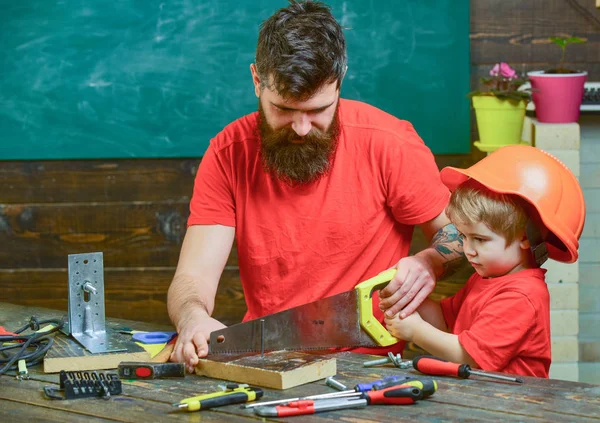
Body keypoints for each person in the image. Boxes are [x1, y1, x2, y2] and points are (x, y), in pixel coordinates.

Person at [167, 0, 464, 372]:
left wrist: (430, 262)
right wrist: (192, 318)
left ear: (340, 82)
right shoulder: (228, 153)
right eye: (285, 110)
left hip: (374, 367)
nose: (302, 128)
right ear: (257, 81)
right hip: (270, 360)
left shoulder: (390, 144)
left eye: (318, 110)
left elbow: (458, 236)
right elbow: (193, 277)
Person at [384, 145, 586, 377]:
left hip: (515, 406)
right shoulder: (486, 279)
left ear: (524, 237)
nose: (468, 250)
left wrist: (416, 332)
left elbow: (469, 356)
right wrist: (407, 296)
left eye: (480, 239)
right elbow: (447, 322)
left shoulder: (522, 295)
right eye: (464, 236)